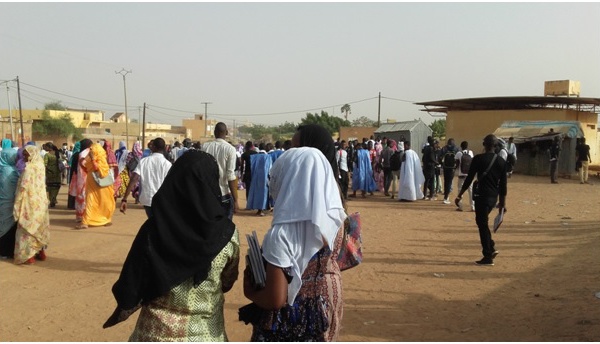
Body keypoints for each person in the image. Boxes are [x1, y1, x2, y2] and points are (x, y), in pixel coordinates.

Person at [103, 150, 240, 341]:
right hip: (205, 334)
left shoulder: (153, 230)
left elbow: (132, 283)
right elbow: (227, 281)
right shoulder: (227, 234)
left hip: (153, 335)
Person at [242, 147, 346, 341]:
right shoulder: (334, 222)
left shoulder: (281, 236)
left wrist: (249, 292)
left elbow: (275, 299)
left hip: (283, 325)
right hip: (315, 316)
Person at [455, 134, 507, 266]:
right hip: (493, 198)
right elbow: (503, 185)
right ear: (496, 146)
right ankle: (491, 247)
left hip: (481, 197)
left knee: (482, 224)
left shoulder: (478, 159)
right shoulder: (501, 161)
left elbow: (469, 179)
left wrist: (460, 194)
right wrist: (502, 203)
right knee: (483, 223)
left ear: (484, 145)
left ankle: (488, 255)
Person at [13, 145, 50, 264]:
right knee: (39, 226)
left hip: (29, 201)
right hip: (40, 201)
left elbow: (23, 187)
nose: (24, 156)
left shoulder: (28, 169)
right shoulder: (41, 166)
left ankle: (28, 256)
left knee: (26, 228)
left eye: (26, 154)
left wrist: (17, 203)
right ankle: (40, 252)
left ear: (32, 154)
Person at [120, 138, 172, 218]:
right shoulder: (167, 164)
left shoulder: (144, 161)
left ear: (153, 147)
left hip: (147, 199)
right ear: (165, 148)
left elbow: (134, 179)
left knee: (152, 221)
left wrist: (125, 199)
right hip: (161, 200)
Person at [201, 122, 239, 220]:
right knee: (225, 228)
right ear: (226, 133)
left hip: (208, 194)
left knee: (209, 226)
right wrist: (236, 200)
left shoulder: (205, 147)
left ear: (214, 132)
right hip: (224, 194)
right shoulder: (230, 149)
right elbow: (230, 175)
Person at [75, 142, 116, 229]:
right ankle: (105, 220)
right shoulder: (103, 158)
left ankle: (86, 222)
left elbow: (89, 166)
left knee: (91, 200)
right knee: (104, 201)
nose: (91, 150)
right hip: (103, 183)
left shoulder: (92, 157)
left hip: (93, 180)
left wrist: (92, 158)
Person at [0, 140, 19, 257]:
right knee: (9, 227)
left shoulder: (2, 169)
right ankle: (7, 251)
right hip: (10, 203)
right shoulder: (12, 172)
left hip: (2, 203)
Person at [246, 151, 272, 216]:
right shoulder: (268, 157)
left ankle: (258, 210)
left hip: (255, 177)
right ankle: (261, 210)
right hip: (264, 177)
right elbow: (270, 168)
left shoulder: (253, 157)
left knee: (256, 193)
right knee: (264, 194)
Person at [74, 139, 93, 223]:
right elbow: (84, 163)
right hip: (85, 177)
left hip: (82, 177)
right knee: (84, 196)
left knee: (82, 196)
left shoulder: (84, 152)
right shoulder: (85, 153)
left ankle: (82, 216)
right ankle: (83, 216)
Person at [454, 141, 475, 211]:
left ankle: (460, 206)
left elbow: (456, 164)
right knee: (471, 191)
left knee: (460, 190)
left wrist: (454, 170)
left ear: (461, 146)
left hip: (461, 174)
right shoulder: (471, 152)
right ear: (467, 146)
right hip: (469, 175)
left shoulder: (458, 153)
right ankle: (472, 206)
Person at [43, 142, 63, 208]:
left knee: (49, 188)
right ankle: (54, 198)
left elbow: (44, 164)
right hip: (58, 173)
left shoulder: (47, 155)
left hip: (50, 173)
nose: (45, 148)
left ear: (49, 147)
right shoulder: (58, 153)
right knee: (56, 187)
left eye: (46, 147)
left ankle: (52, 199)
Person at [440, 138, 458, 204]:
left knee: (446, 181)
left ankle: (446, 196)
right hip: (452, 168)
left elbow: (440, 157)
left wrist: (442, 165)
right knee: (449, 182)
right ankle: (446, 197)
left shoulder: (444, 148)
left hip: (445, 167)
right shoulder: (456, 148)